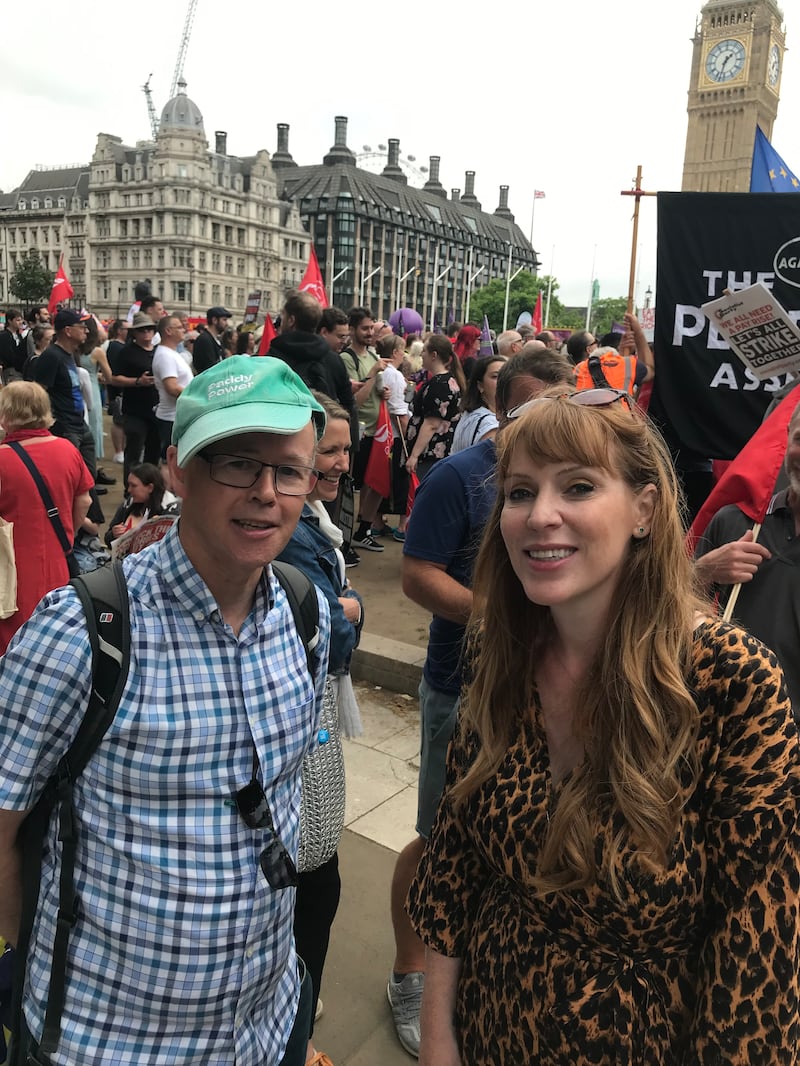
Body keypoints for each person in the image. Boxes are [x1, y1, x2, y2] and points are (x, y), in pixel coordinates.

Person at [406, 387, 800, 1064]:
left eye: (579, 486)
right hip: (486, 1028)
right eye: (521, 492)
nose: (541, 516)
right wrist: (439, 1040)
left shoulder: (732, 681)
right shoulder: (500, 653)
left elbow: (757, 954)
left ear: (644, 509)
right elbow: (454, 867)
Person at [0, 355, 331, 1066]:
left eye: (290, 471)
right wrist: (32, 963)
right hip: (109, 1041)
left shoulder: (307, 611)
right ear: (179, 470)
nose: (267, 495)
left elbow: (307, 786)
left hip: (265, 1025)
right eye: (239, 465)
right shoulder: (82, 631)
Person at [387, 350, 573, 1057]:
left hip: (536, 693)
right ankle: (409, 974)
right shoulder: (458, 479)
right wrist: (501, 619)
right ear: (503, 410)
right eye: (536, 413)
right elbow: (414, 577)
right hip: (459, 687)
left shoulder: (557, 485)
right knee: (439, 839)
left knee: (501, 845)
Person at [277, 393, 363, 1066]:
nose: (332, 465)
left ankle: (296, 1007)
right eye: (318, 455)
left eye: (336, 451)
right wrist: (348, 612)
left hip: (318, 716)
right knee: (310, 871)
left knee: (315, 868)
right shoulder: (296, 528)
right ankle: (296, 1015)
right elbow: (325, 636)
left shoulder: (315, 518)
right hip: (306, 716)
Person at [694, 402, 800, 710]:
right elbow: (669, 614)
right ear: (786, 439)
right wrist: (704, 570)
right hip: (726, 719)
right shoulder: (735, 522)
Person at [0, 382, 93, 654]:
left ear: (6, 414)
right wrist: (66, 533)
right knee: (54, 638)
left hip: (10, 569)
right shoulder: (67, 450)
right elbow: (84, 501)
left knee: (12, 646)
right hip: (58, 560)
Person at [340, 306, 390, 553]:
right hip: (357, 429)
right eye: (365, 328)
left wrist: (384, 391)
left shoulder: (372, 355)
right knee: (349, 485)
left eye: (372, 328)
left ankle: (364, 530)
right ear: (352, 329)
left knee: (375, 482)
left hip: (377, 430)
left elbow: (374, 391)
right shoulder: (347, 359)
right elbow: (355, 401)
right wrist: (372, 374)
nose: (371, 333)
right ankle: (344, 538)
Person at [405, 335, 465, 481]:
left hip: (431, 454)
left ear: (434, 355)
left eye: (424, 350)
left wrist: (414, 455)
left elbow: (431, 424)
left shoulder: (440, 384)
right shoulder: (443, 381)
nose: (421, 354)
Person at [115, 311, 160, 481]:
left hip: (156, 409)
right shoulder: (127, 352)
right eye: (142, 330)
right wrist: (137, 381)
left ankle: (151, 489)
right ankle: (131, 491)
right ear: (134, 333)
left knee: (153, 453)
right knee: (134, 453)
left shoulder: (158, 351)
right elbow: (114, 378)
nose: (147, 333)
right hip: (135, 411)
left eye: (149, 329)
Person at [104, 462, 178, 546]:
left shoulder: (170, 508)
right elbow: (107, 539)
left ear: (150, 488)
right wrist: (113, 535)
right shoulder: (130, 503)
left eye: (133, 486)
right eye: (129, 485)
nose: (129, 490)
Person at [152, 314, 193, 461]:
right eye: (180, 327)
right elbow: (172, 387)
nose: (184, 329)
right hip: (171, 417)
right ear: (168, 331)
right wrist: (196, 395)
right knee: (171, 460)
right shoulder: (165, 356)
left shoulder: (170, 353)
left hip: (177, 416)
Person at [451, 354, 506, 454]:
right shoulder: (491, 427)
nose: (503, 380)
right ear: (480, 385)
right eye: (495, 376)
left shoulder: (472, 413)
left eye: (507, 375)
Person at [192, 305, 232, 372]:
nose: (227, 323)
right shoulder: (204, 340)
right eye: (224, 320)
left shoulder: (217, 340)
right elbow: (210, 367)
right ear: (214, 320)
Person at [0, 308, 26, 385]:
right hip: (10, 370)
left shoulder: (19, 335)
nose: (20, 322)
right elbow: (7, 354)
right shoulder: (4, 336)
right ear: (10, 321)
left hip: (20, 369)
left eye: (21, 320)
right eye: (17, 320)